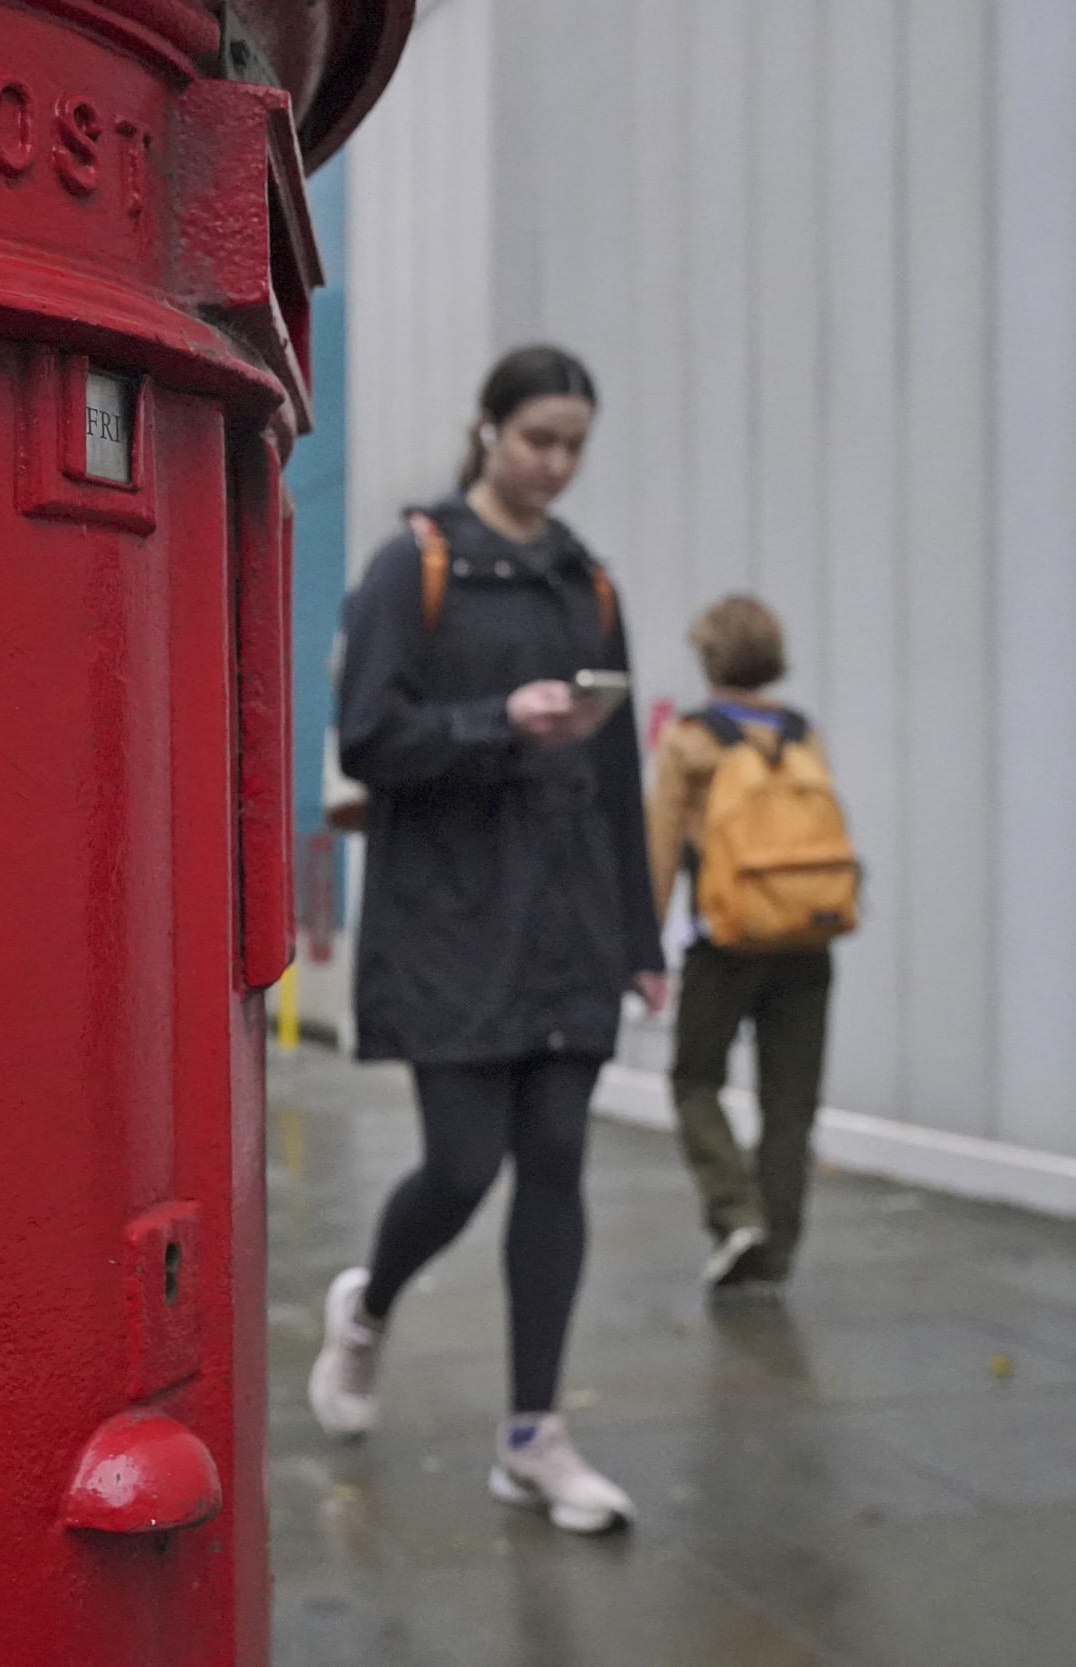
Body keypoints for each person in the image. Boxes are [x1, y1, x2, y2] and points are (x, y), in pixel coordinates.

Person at [308, 345, 664, 1535]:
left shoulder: (586, 583)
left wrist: (641, 935)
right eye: (537, 440)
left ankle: (531, 1437)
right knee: (462, 1167)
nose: (555, 464)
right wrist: (496, 721)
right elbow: (366, 738)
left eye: (573, 446)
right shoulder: (413, 565)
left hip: (571, 917)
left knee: (555, 1158)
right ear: (488, 431)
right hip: (451, 917)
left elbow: (618, 775)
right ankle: (367, 1305)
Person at [646, 596, 835, 1292]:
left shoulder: (690, 739)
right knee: (791, 1105)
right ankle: (773, 1253)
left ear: (709, 659)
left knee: (694, 1080)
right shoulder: (803, 733)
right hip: (808, 938)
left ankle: (736, 1215)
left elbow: (661, 850)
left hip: (724, 941)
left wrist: (644, 947)